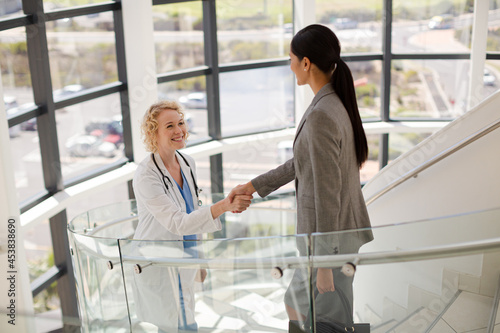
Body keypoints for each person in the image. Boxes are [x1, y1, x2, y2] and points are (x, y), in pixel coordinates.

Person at [228, 24, 373, 331]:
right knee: (310, 309)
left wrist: (323, 265)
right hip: (335, 235)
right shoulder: (332, 101)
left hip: (329, 239)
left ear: (306, 63)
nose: (290, 65)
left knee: (323, 316)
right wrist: (253, 187)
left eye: (291, 58)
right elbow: (304, 162)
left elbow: (327, 193)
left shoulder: (322, 112)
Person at [132, 100, 252, 332]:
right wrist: (224, 206)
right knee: (172, 326)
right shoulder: (146, 175)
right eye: (169, 126)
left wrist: (200, 260)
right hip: (158, 261)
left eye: (180, 123)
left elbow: (193, 212)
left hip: (184, 259)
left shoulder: (187, 162)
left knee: (186, 323)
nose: (179, 131)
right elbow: (178, 223)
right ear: (153, 133)